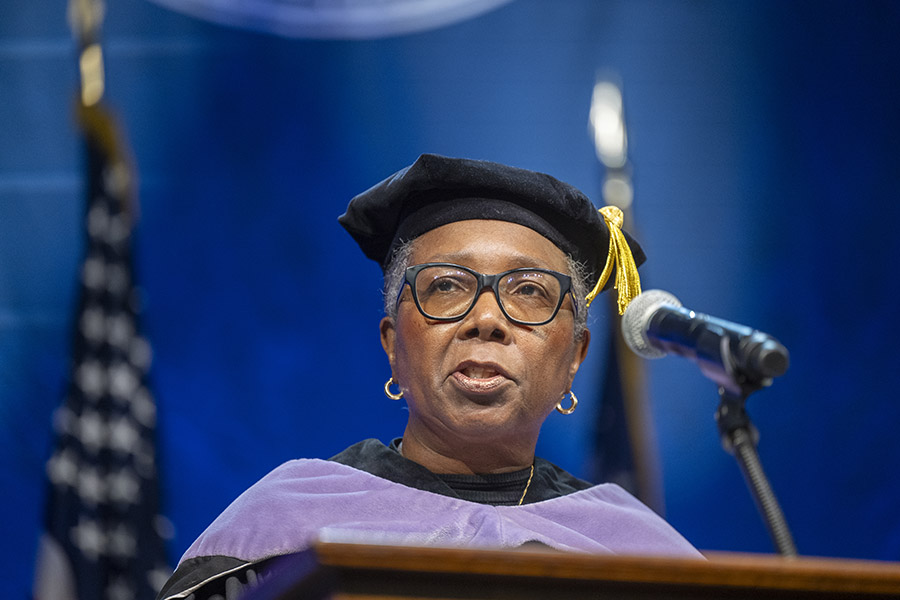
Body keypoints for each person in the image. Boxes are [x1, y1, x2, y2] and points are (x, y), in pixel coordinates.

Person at [157, 154, 700, 600]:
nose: (486, 320)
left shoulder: (637, 553)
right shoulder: (280, 530)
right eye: (446, 287)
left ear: (575, 356)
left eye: (529, 291)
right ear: (393, 345)